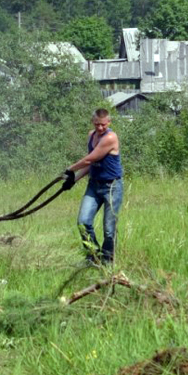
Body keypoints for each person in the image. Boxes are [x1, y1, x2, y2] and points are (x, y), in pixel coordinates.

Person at [63, 108, 123, 265]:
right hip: (94, 185)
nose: (100, 128)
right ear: (93, 122)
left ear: (109, 122)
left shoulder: (110, 137)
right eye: (97, 124)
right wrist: (73, 180)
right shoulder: (91, 136)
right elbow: (92, 165)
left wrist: (69, 169)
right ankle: (93, 257)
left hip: (112, 186)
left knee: (109, 228)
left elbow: (89, 159)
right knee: (83, 222)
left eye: (103, 124)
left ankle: (108, 260)